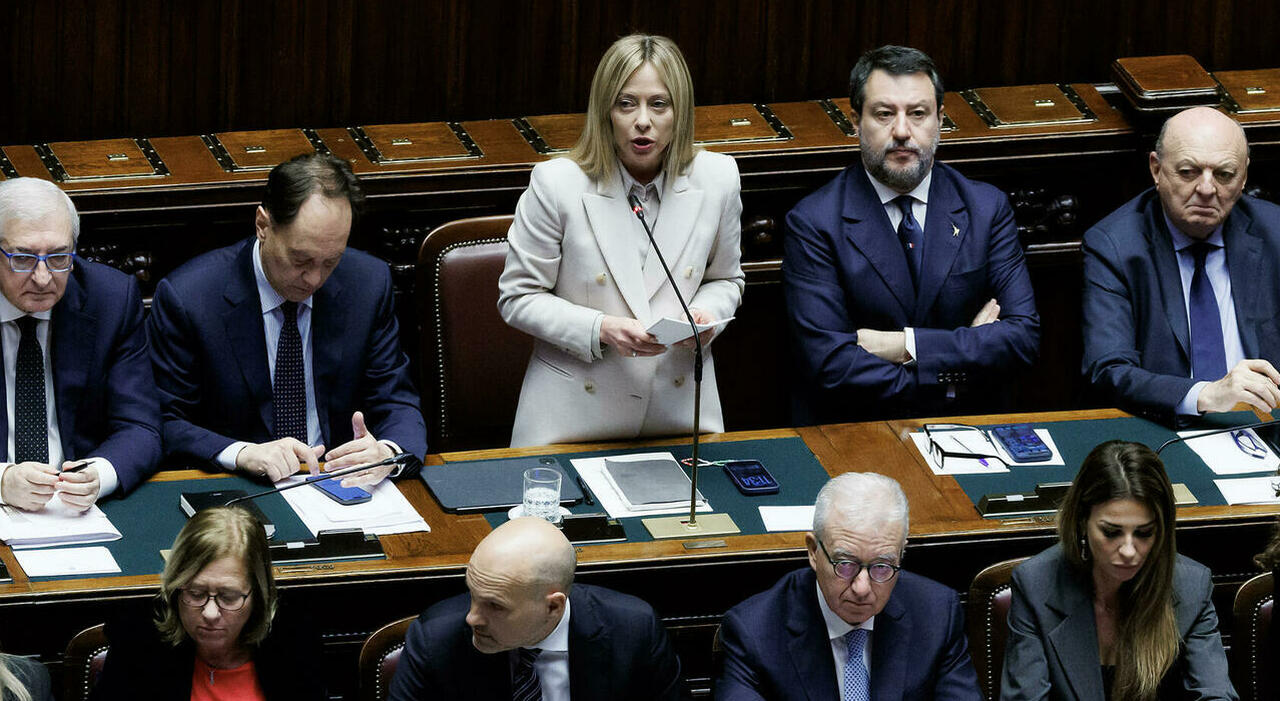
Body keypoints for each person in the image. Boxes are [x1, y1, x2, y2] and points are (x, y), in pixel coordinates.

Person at [497, 33, 744, 447]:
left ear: (679, 112)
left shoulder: (718, 178)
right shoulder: (557, 184)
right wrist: (601, 327)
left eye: (659, 104)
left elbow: (726, 280)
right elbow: (517, 298)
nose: (642, 120)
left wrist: (705, 315)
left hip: (678, 413)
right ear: (605, 112)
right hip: (571, 419)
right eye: (626, 103)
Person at [782, 45, 1039, 424]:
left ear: (940, 120)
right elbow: (831, 363)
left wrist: (904, 345)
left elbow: (1022, 340)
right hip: (862, 430)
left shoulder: (986, 208)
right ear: (855, 121)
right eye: (884, 114)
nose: (902, 131)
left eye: (918, 114)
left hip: (971, 426)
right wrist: (959, 370)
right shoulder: (814, 222)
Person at [147, 153, 427, 486]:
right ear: (263, 225)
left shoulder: (367, 283)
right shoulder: (190, 298)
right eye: (301, 259)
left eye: (331, 261)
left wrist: (387, 453)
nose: (314, 279)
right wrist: (241, 453)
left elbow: (396, 400)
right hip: (240, 487)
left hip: (341, 482)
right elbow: (165, 421)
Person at [1082, 106, 1280, 423]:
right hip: (1166, 427)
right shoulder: (1115, 246)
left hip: (1266, 422)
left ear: (1243, 177)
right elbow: (1109, 369)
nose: (1206, 189)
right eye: (1188, 172)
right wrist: (1206, 394)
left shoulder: (1275, 232)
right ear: (1156, 169)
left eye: (1224, 175)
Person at [1001, 440, 1235, 700]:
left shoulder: (1191, 586)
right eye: (1111, 532)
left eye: (1144, 533)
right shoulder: (1036, 584)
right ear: (1082, 521)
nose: (1128, 551)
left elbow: (1215, 693)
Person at [715, 472, 981, 700]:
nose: (862, 588)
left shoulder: (937, 614)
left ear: (901, 554)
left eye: (881, 566)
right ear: (813, 551)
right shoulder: (754, 632)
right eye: (845, 564)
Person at [0, 177, 160, 512]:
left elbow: (140, 426)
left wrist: (98, 474)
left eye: (59, 257)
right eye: (23, 258)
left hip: (78, 510)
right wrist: (2, 481)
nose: (43, 277)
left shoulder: (110, 300)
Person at [388, 517, 681, 700]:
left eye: (495, 606)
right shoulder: (435, 639)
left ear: (553, 606)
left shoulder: (633, 631)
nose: (472, 617)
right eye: (473, 595)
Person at [91, 506, 323, 700]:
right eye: (196, 593)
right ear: (175, 587)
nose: (210, 613)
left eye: (228, 597)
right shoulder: (139, 642)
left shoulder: (293, 643)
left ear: (258, 593)